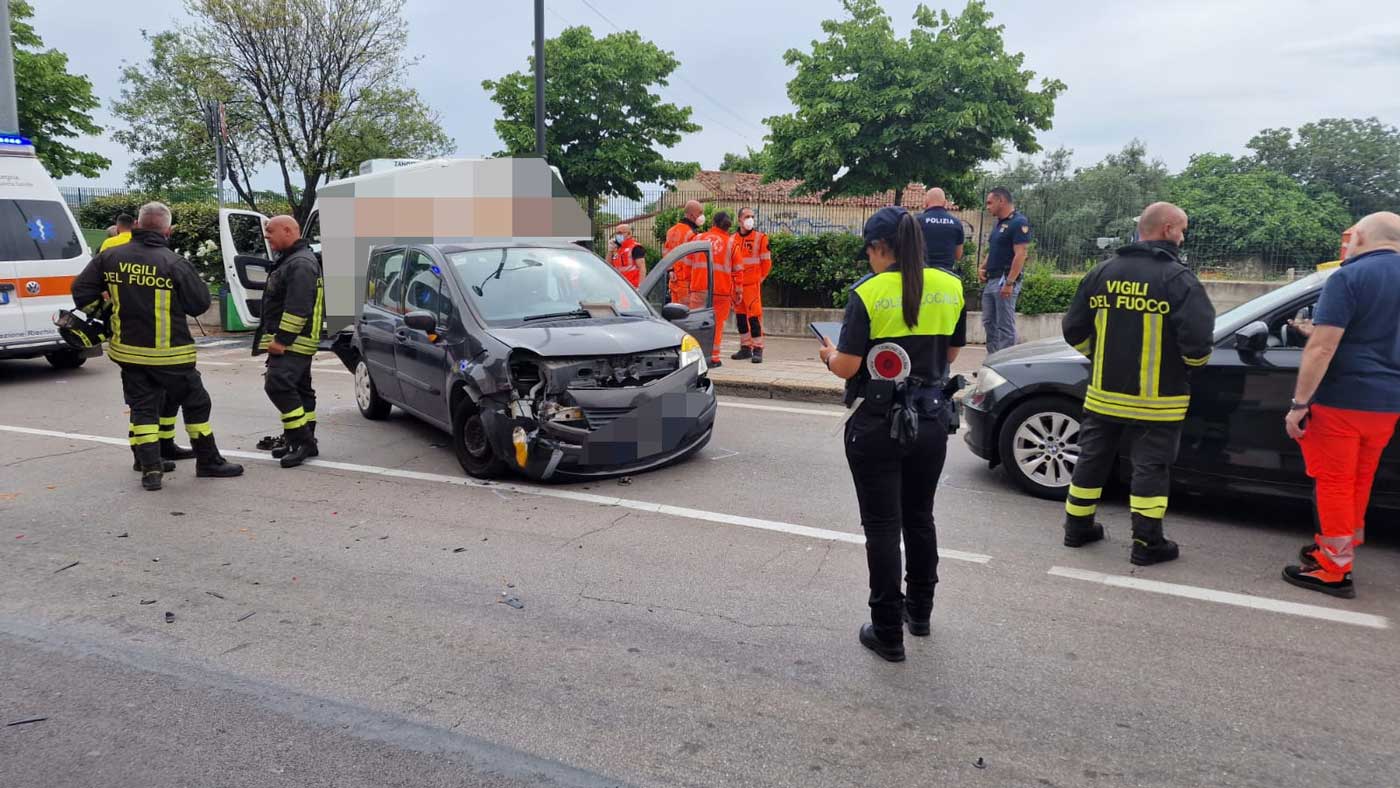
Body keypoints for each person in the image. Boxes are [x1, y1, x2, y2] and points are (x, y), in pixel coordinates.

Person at [818, 206, 966, 663]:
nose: (869, 260)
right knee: (920, 517)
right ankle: (919, 612)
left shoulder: (868, 293)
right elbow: (954, 353)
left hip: (879, 422)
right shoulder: (952, 286)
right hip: (932, 418)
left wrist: (826, 354)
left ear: (880, 248)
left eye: (869, 252)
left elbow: (848, 365)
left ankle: (886, 631)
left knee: (882, 528)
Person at [1060, 202, 1215, 565]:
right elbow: (1198, 343)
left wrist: (1098, 358)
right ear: (1166, 230)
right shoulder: (1178, 279)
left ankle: (1076, 528)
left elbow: (1073, 331)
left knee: (1091, 461)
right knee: (1150, 468)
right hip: (1157, 402)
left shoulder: (1101, 273)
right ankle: (1147, 544)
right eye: (1181, 229)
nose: (1183, 235)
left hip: (1103, 396)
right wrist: (1187, 369)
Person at [71, 201, 244, 491]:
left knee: (143, 408)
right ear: (168, 230)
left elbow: (81, 291)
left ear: (137, 225)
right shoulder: (173, 262)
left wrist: (104, 312)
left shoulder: (110, 257)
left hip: (128, 352)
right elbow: (200, 304)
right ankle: (208, 461)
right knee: (196, 402)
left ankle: (150, 467)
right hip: (170, 354)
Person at [1280, 211, 1400, 599]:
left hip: (1343, 400)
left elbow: (1324, 346)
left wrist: (1300, 404)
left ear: (1362, 237)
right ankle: (1345, 546)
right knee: (1360, 480)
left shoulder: (1348, 276)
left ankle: (1333, 568)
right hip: (1388, 404)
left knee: (1333, 482)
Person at [256, 215, 324, 469]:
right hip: (297, 341)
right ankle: (300, 441)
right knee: (301, 391)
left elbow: (298, 307)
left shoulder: (300, 263)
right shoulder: (295, 260)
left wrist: (281, 341)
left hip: (292, 342)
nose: (267, 236)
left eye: (270, 231)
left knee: (277, 385)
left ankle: (303, 441)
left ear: (287, 230)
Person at [979, 187, 1030, 355]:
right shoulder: (999, 224)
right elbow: (994, 249)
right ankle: (992, 360)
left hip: (1004, 281)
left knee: (1004, 325)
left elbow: (1021, 254)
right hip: (992, 280)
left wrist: (1009, 282)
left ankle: (1005, 366)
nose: (987, 206)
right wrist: (983, 267)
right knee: (989, 322)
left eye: (990, 202)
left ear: (1001, 201)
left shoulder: (1018, 222)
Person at [729, 207, 772, 363]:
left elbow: (766, 263)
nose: (750, 219)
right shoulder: (732, 239)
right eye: (747, 216)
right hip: (737, 286)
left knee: (754, 318)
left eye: (752, 216)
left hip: (752, 285)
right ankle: (745, 348)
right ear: (739, 219)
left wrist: (759, 279)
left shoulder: (760, 238)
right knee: (740, 318)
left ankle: (758, 349)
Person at [694, 211, 736, 367]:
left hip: (699, 287)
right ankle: (713, 357)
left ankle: (697, 356)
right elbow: (738, 270)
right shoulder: (731, 243)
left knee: (696, 323)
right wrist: (737, 291)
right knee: (717, 324)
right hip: (721, 290)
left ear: (713, 223)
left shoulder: (698, 238)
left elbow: (686, 262)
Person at [664, 200, 705, 304]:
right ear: (692, 215)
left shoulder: (671, 231)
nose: (702, 216)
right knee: (686, 315)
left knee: (675, 314)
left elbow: (666, 253)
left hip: (673, 280)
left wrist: (670, 270)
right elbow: (696, 259)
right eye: (700, 213)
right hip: (686, 282)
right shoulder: (691, 233)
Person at [918, 188, 964, 272]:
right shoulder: (956, 223)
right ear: (945, 202)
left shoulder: (917, 221)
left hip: (921, 274)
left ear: (926, 201)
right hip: (947, 274)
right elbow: (958, 255)